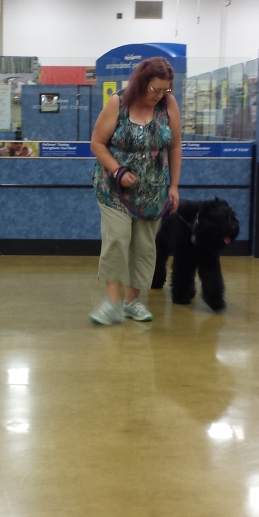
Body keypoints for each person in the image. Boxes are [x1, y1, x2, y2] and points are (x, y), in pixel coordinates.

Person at [89, 57, 181, 325]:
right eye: (155, 89)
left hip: (152, 191)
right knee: (117, 240)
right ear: (141, 83)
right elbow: (97, 143)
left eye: (165, 89)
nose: (159, 95)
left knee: (144, 246)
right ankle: (112, 303)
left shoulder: (168, 105)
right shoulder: (118, 103)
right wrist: (117, 170)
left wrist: (174, 186)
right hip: (114, 190)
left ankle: (132, 302)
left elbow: (175, 146)